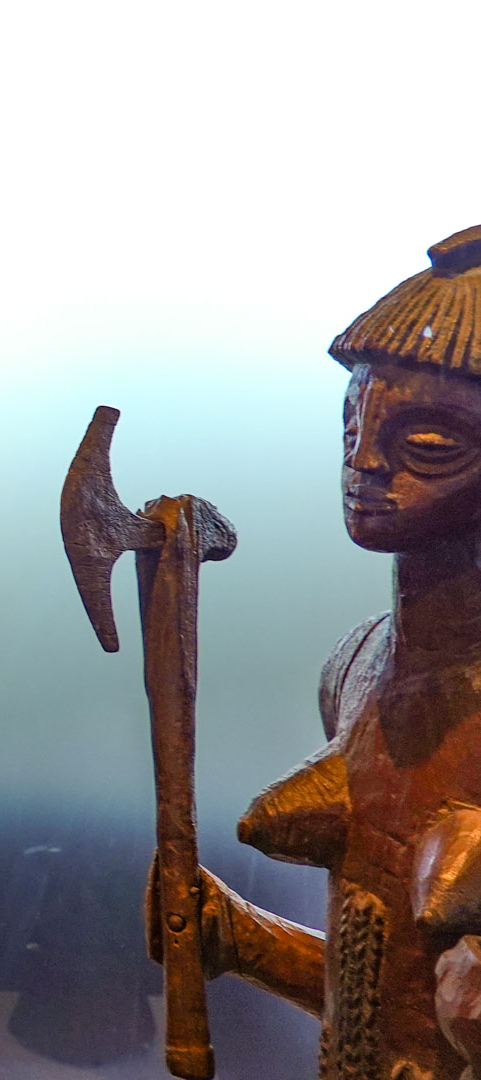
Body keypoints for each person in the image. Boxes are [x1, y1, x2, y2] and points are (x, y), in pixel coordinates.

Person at [169, 224, 481, 1080]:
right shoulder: (356, 665)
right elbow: (374, 996)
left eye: (424, 441)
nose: (363, 461)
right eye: (353, 421)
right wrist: (237, 936)